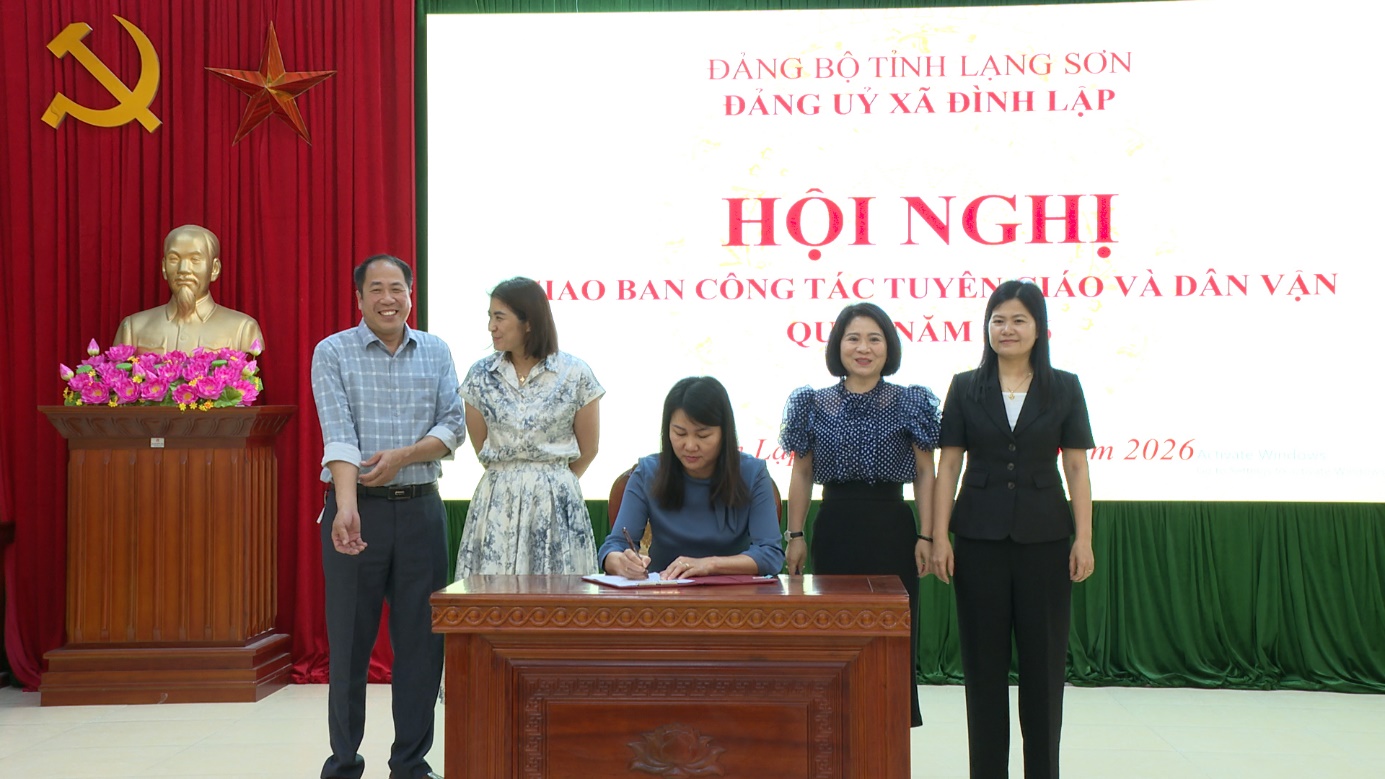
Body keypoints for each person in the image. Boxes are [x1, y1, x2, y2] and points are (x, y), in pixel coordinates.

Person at [929, 280, 1094, 779]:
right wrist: (939, 536)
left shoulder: (1064, 386)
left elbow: (1077, 468)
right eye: (998, 320)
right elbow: (949, 465)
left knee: (1044, 671)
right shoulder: (965, 386)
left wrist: (1084, 538)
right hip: (978, 540)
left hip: (1046, 541)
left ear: (1039, 329)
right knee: (983, 670)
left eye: (1019, 320)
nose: (1007, 329)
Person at [310, 254, 463, 779]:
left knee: (422, 645)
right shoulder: (333, 352)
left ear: (410, 294)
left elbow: (453, 426)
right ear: (359, 298)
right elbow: (337, 433)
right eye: (375, 288)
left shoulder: (436, 350)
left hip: (422, 510)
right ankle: (344, 763)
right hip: (357, 511)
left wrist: (403, 456)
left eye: (396, 288)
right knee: (350, 645)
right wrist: (347, 507)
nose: (387, 298)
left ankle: (411, 765)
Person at [779, 302, 939, 728]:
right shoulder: (813, 403)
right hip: (834, 528)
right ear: (838, 345)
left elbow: (925, 472)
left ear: (889, 347)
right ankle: (836, 730)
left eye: (874, 339)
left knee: (891, 636)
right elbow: (802, 472)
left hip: (892, 530)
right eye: (853, 338)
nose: (863, 348)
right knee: (836, 634)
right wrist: (795, 535)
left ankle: (889, 733)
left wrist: (927, 536)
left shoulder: (910, 401)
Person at [454, 277, 603, 577]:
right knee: (494, 595)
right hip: (497, 501)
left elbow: (589, 449)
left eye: (499, 317)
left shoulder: (574, 374)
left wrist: (550, 481)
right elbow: (481, 445)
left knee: (557, 594)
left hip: (556, 500)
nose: (491, 327)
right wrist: (513, 479)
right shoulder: (481, 376)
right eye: (490, 317)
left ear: (529, 322)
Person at [600, 376, 784, 580]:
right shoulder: (648, 473)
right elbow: (614, 547)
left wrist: (709, 565)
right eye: (680, 433)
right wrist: (621, 562)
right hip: (665, 591)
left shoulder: (752, 473)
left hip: (733, 593)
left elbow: (770, 554)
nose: (689, 446)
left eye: (702, 436)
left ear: (724, 433)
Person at [113, 224, 265, 354]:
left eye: (195, 259)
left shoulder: (243, 329)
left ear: (214, 269)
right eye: (174, 259)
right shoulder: (133, 328)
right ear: (164, 268)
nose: (183, 269)